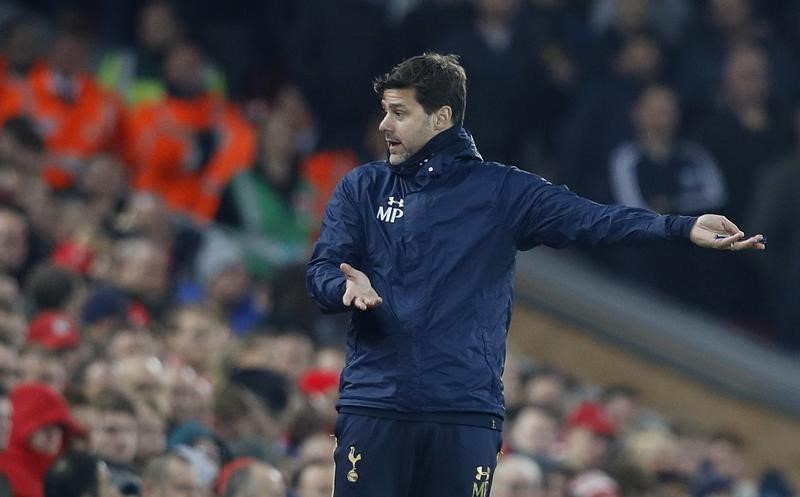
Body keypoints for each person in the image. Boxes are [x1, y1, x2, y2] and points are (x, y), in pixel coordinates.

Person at [305, 53, 765, 497]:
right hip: (376, 404)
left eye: (398, 113)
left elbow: (595, 219)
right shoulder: (363, 187)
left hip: (464, 411)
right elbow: (323, 268)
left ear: (441, 117)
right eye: (385, 111)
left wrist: (681, 227)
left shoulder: (503, 190)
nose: (384, 125)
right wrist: (343, 286)